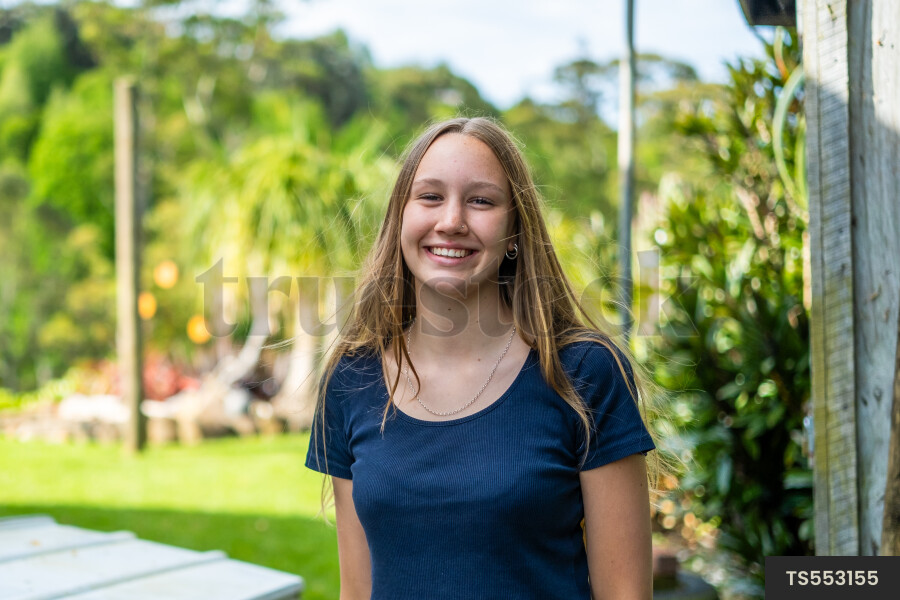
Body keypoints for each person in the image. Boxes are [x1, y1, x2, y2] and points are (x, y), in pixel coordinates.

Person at [306, 116, 658, 599]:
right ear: (400, 219)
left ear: (514, 230)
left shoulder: (583, 372)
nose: (451, 221)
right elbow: (358, 590)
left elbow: (625, 594)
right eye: (430, 196)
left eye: (481, 201)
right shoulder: (352, 378)